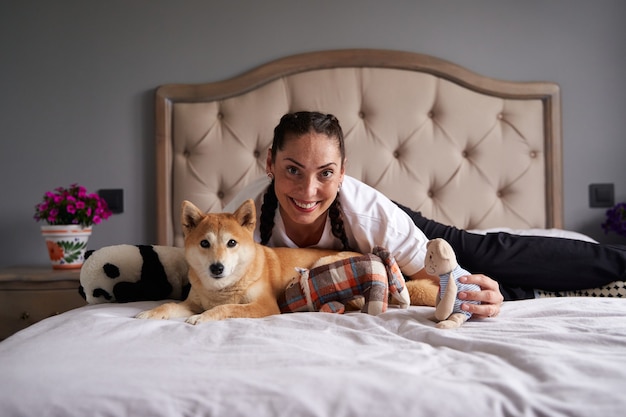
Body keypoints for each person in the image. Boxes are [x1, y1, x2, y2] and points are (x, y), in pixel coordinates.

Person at [224, 111, 626, 319]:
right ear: (269, 164)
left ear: (343, 172)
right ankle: (540, 294)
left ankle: (618, 263)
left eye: (325, 173)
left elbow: (442, 283)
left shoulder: (370, 214)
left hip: (396, 231)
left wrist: (476, 293)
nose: (308, 191)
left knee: (482, 255)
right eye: (293, 169)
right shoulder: (239, 220)